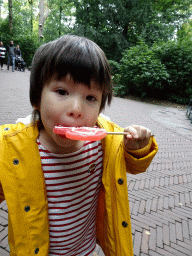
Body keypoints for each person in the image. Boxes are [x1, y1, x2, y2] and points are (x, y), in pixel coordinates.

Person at [0, 35, 158, 256]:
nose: (76, 108)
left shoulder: (105, 140)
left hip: (85, 249)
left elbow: (135, 165)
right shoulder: (12, 148)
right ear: (37, 98)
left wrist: (137, 147)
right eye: (62, 92)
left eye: (90, 97)